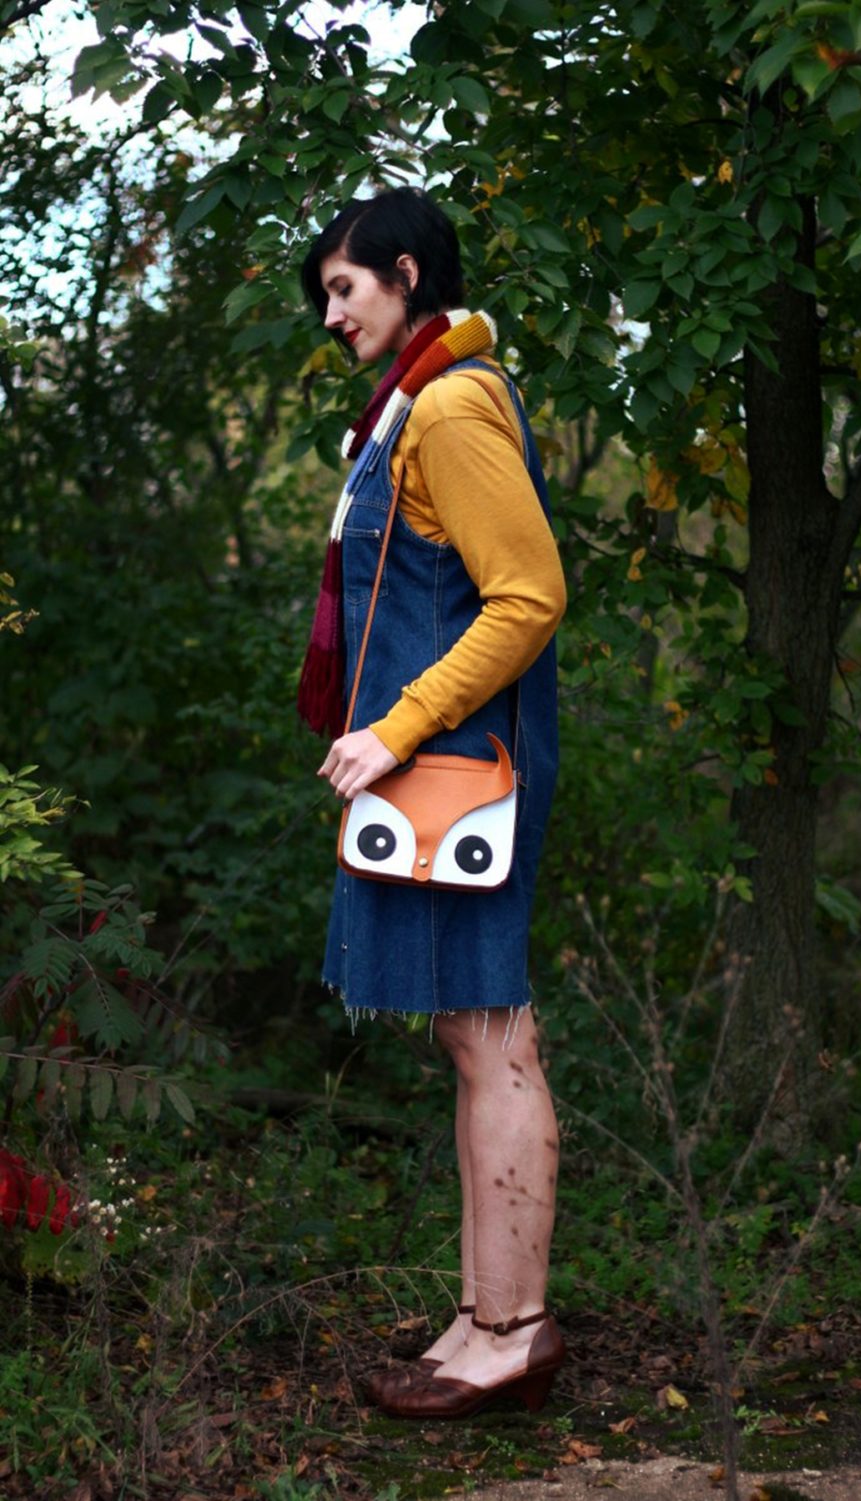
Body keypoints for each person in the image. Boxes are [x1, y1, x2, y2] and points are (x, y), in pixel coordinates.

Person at [299, 187, 567, 1419]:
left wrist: (392, 731)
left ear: (405, 273)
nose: (332, 315)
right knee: (472, 1035)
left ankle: (512, 1331)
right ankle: (481, 1313)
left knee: (493, 1034)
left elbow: (526, 597)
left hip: (463, 774)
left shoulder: (449, 406)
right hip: (438, 773)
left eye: (344, 288)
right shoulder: (413, 403)